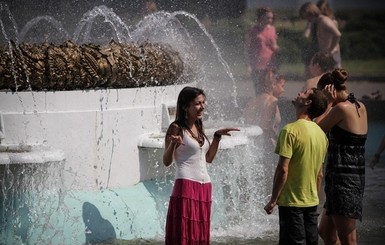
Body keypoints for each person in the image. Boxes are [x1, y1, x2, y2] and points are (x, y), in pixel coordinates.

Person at [163, 86, 239, 244]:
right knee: (184, 233)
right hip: (186, 185)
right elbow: (166, 161)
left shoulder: (199, 127)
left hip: (204, 186)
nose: (202, 107)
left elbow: (208, 158)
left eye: (203, 102)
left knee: (199, 236)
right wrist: (173, 144)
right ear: (185, 106)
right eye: (198, 103)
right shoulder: (176, 128)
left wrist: (217, 137)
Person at [264, 88, 329, 245]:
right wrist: (315, 198)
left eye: (304, 92)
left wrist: (273, 200)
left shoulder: (289, 130)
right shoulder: (321, 134)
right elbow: (320, 174)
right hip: (311, 203)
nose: (299, 92)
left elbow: (283, 169)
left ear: (308, 103)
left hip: (291, 203)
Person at [316, 69, 368, 245]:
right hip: (349, 179)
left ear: (330, 89)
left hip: (343, 182)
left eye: (323, 94)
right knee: (326, 232)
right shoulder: (360, 106)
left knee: (348, 239)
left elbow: (315, 130)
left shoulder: (340, 108)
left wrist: (329, 104)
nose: (322, 100)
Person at [243, 69, 285, 151]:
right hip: (266, 146)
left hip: (251, 144)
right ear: (273, 84)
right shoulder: (272, 101)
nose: (283, 90)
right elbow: (265, 127)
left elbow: (245, 122)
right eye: (282, 86)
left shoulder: (251, 101)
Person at [300, 2, 341, 78]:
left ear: (311, 13)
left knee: (337, 77)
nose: (307, 20)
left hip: (331, 54)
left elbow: (337, 34)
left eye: (306, 17)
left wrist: (331, 49)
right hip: (326, 54)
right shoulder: (318, 22)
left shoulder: (324, 21)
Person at [244, 7, 280, 83]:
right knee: (259, 90)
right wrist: (248, 65)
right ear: (260, 17)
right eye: (268, 18)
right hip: (257, 64)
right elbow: (246, 49)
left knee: (270, 88)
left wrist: (280, 50)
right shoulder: (252, 30)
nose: (270, 20)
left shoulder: (272, 29)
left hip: (270, 64)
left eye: (271, 18)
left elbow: (274, 46)